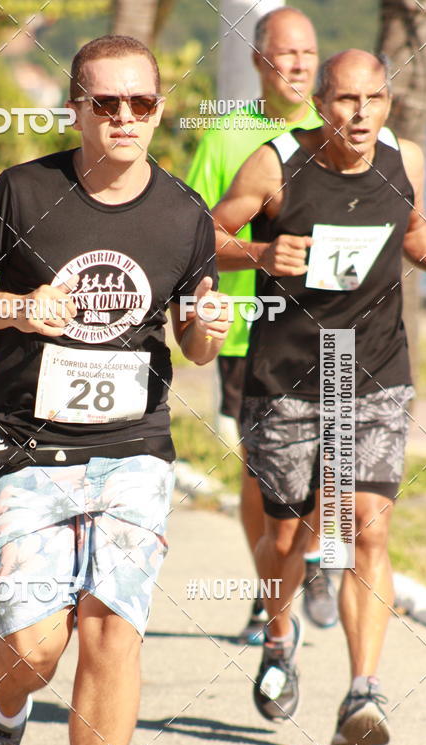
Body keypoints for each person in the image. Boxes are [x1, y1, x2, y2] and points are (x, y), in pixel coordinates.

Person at [0, 35, 230, 745]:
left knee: (113, 627)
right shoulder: (25, 189)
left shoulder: (183, 211)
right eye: (108, 103)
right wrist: (18, 306)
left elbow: (197, 348)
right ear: (77, 108)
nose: (126, 118)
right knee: (34, 644)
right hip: (30, 446)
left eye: (141, 103)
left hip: (134, 447)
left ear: (158, 110)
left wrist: (207, 327)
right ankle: (4, 713)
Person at [212, 49, 426, 745]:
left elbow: (414, 231)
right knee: (287, 536)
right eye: (343, 101)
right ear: (320, 103)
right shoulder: (276, 165)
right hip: (289, 376)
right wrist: (259, 256)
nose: (359, 115)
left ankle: (363, 692)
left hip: (375, 371)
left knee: (366, 523)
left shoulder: (408, 161)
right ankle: (279, 636)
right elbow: (205, 237)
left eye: (372, 100)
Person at [187, 6, 338, 642]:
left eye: (308, 53)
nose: (299, 64)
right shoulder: (225, 136)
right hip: (251, 330)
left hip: (332, 327)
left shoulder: (340, 131)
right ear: (259, 61)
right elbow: (194, 234)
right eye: (286, 53)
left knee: (333, 465)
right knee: (264, 471)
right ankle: (266, 588)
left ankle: (310, 558)